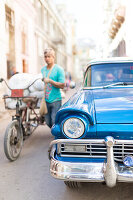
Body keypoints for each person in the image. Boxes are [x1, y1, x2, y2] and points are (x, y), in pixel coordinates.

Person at [41, 48, 65, 128]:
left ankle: (57, 138)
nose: (47, 59)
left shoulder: (59, 69)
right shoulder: (43, 70)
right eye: (45, 57)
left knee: (54, 121)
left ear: (53, 57)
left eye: (49, 56)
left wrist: (50, 81)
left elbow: (62, 85)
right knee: (48, 122)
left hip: (56, 100)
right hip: (46, 100)